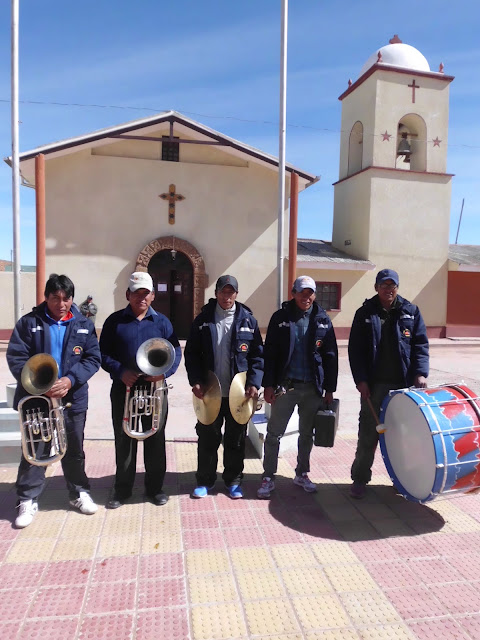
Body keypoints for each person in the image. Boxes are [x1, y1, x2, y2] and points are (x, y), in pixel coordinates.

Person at [7, 274, 101, 528]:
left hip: (72, 398)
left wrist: (70, 380)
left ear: (72, 299)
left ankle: (78, 492)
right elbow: (17, 357)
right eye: (55, 298)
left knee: (74, 448)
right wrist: (40, 386)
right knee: (36, 448)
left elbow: (92, 359)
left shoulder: (84, 324)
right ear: (46, 297)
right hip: (36, 397)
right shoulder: (29, 323)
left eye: (66, 298)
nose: (61, 304)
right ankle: (27, 497)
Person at [100, 272, 181, 508]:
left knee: (155, 438)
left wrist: (164, 373)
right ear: (128, 294)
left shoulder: (163, 322)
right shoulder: (114, 321)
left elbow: (175, 352)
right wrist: (120, 371)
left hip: (155, 388)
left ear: (153, 296)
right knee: (124, 439)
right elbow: (102, 354)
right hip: (124, 388)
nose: (141, 298)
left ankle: (155, 488)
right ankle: (122, 489)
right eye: (137, 293)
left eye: (146, 294)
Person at [348, 268, 429, 499]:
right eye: (384, 285)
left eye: (392, 286)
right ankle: (360, 479)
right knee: (368, 435)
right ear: (376, 288)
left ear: (397, 288)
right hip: (374, 387)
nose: (388, 289)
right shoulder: (365, 313)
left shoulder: (411, 312)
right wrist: (361, 380)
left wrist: (420, 374)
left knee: (404, 437)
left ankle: (403, 481)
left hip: (404, 388)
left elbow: (420, 347)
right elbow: (356, 351)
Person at [257, 275, 338, 499]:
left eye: (310, 292)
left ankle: (301, 473)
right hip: (286, 388)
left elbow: (331, 355)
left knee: (306, 435)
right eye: (302, 292)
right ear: (293, 293)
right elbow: (270, 354)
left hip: (312, 389)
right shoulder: (281, 318)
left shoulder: (322, 319)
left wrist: (329, 388)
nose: (306, 297)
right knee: (274, 434)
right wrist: (269, 385)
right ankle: (268, 476)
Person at [184, 275, 263, 499]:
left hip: (238, 394)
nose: (227, 296)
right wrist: (196, 381)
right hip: (211, 392)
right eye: (223, 292)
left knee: (236, 439)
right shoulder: (203, 320)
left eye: (231, 292)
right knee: (208, 437)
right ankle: (205, 481)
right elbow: (191, 354)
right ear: (216, 292)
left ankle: (233, 481)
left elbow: (257, 356)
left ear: (236, 294)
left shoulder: (248, 320)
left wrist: (254, 383)